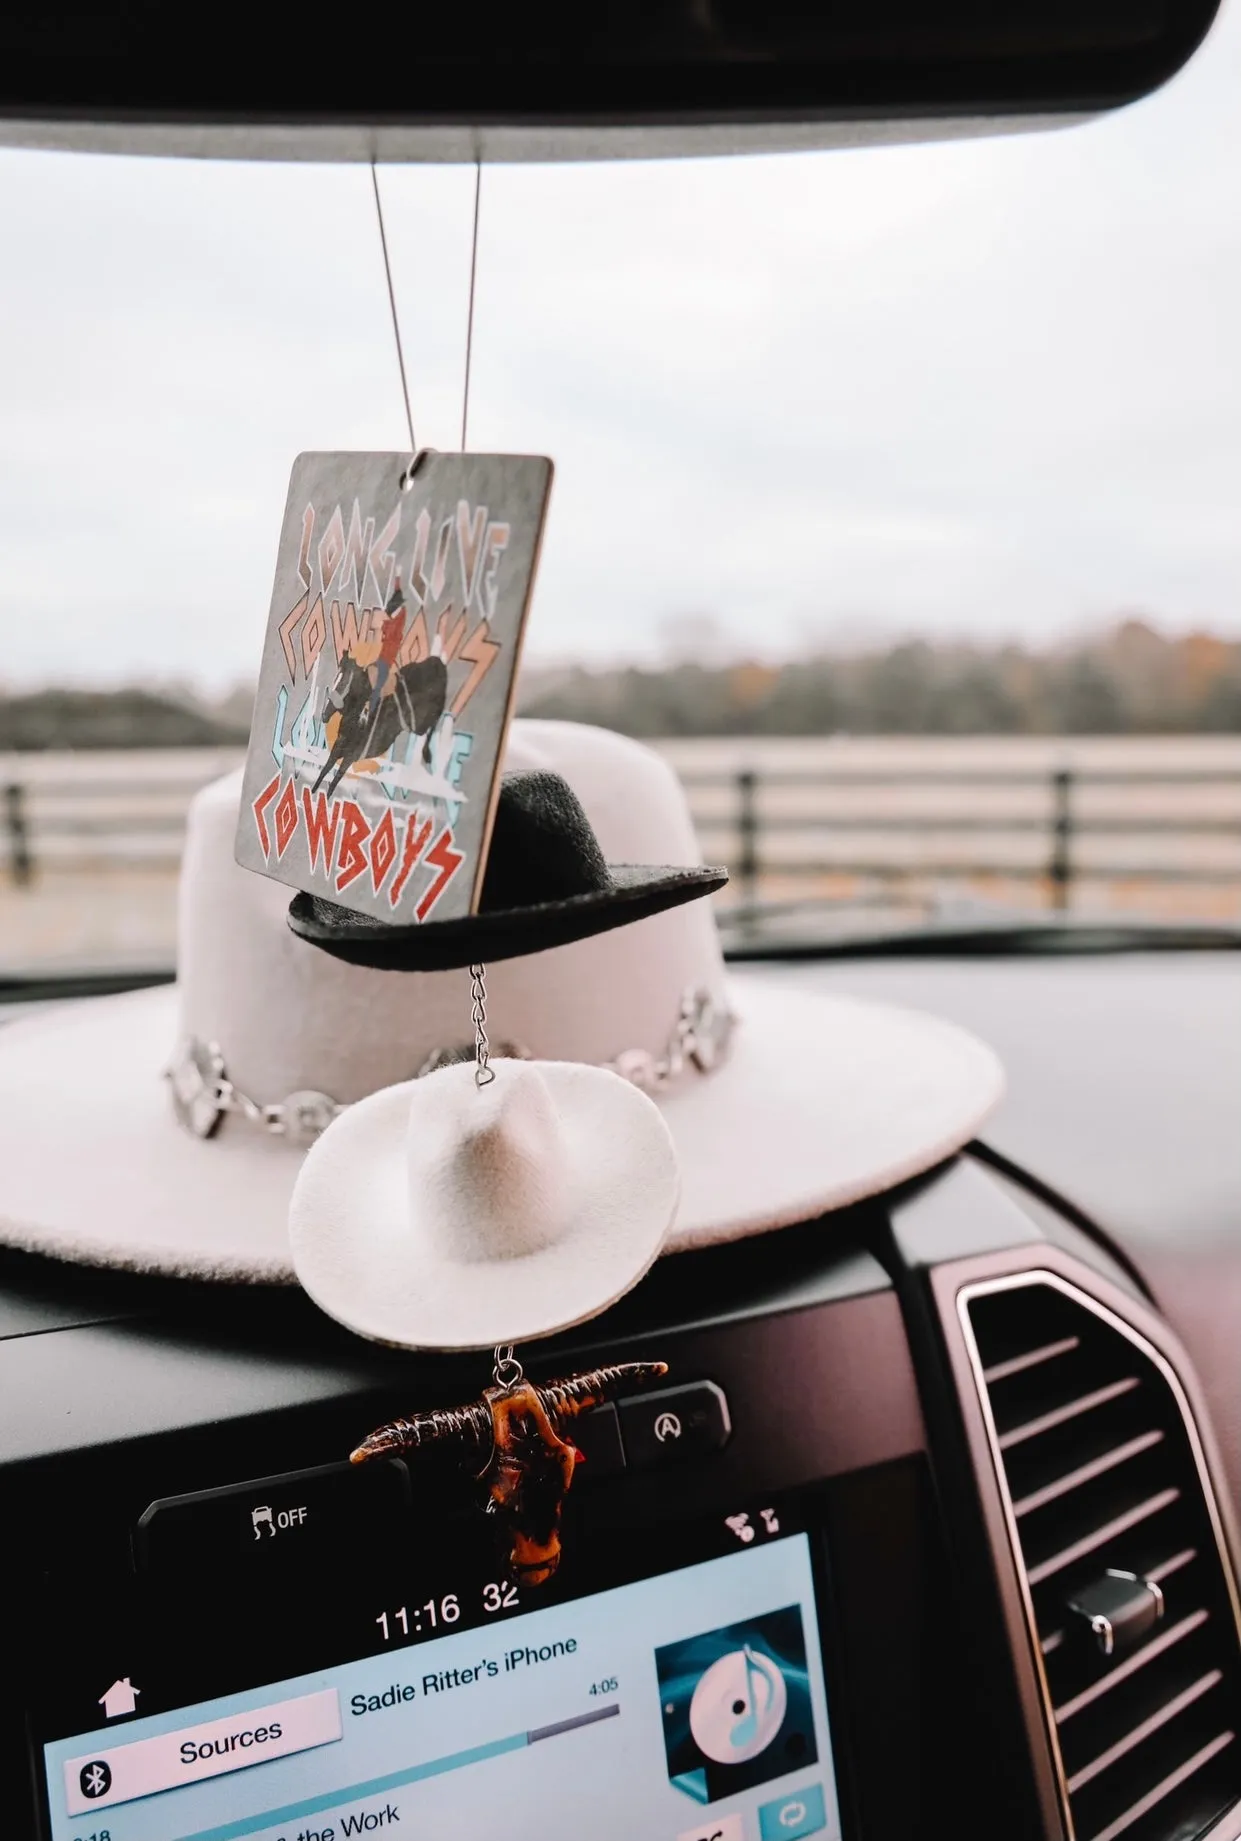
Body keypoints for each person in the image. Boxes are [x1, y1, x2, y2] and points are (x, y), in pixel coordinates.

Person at [364, 577, 407, 736]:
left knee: (378, 685)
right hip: (381, 654)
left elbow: (391, 631)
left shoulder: (399, 617)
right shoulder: (393, 614)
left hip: (386, 658)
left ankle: (372, 714)